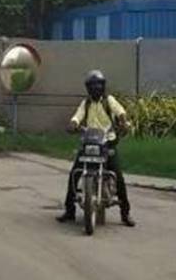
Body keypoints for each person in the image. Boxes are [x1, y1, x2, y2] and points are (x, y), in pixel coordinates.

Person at [57, 69, 134, 227]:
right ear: (88, 87)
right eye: (93, 85)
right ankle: (69, 211)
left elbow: (121, 112)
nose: (96, 88)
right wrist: (73, 124)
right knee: (74, 174)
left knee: (118, 176)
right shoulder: (85, 103)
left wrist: (124, 122)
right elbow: (77, 117)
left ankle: (125, 214)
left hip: (107, 143)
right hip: (89, 142)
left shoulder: (109, 100)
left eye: (98, 84)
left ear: (103, 86)